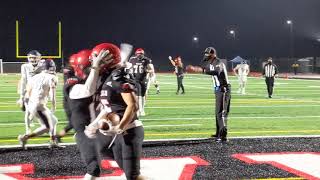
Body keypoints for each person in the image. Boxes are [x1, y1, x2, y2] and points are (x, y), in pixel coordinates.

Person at [85, 43, 146, 180]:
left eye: (96, 57)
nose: (93, 60)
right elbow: (108, 107)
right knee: (103, 150)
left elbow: (133, 106)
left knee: (133, 176)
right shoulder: (108, 76)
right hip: (120, 133)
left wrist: (120, 127)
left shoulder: (119, 78)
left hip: (130, 131)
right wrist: (94, 125)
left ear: (107, 59)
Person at [67, 47, 112, 179]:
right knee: (94, 168)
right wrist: (95, 67)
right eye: (90, 67)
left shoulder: (100, 81)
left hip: (101, 130)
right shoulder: (73, 86)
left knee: (124, 160)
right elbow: (88, 90)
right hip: (85, 133)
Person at [188, 47, 231, 143]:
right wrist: (195, 68)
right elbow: (204, 67)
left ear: (213, 54)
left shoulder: (219, 62)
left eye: (208, 54)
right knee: (217, 112)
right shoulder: (210, 62)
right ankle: (218, 133)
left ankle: (223, 136)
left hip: (223, 88)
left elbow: (217, 71)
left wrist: (200, 71)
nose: (206, 55)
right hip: (218, 89)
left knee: (221, 113)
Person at [17, 59, 60, 149]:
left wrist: (29, 109)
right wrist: (53, 106)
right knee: (47, 127)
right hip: (39, 106)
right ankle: (24, 137)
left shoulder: (34, 77)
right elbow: (52, 94)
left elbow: (28, 93)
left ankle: (52, 141)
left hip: (33, 104)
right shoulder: (52, 78)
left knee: (54, 121)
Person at [17, 50, 42, 134]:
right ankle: (27, 129)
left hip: (39, 91)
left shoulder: (43, 65)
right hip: (28, 90)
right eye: (30, 57)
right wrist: (21, 96)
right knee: (28, 110)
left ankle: (33, 119)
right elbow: (23, 80)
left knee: (38, 108)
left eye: (34, 57)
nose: (32, 59)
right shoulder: (25, 66)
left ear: (39, 58)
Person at [128, 48, 154, 116]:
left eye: (141, 54)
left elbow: (151, 70)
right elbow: (128, 68)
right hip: (135, 80)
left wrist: (147, 71)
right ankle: (137, 110)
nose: (140, 55)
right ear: (136, 54)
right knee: (137, 96)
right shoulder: (132, 59)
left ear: (143, 54)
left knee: (142, 96)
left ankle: (142, 110)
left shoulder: (147, 60)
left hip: (143, 80)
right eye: (138, 54)